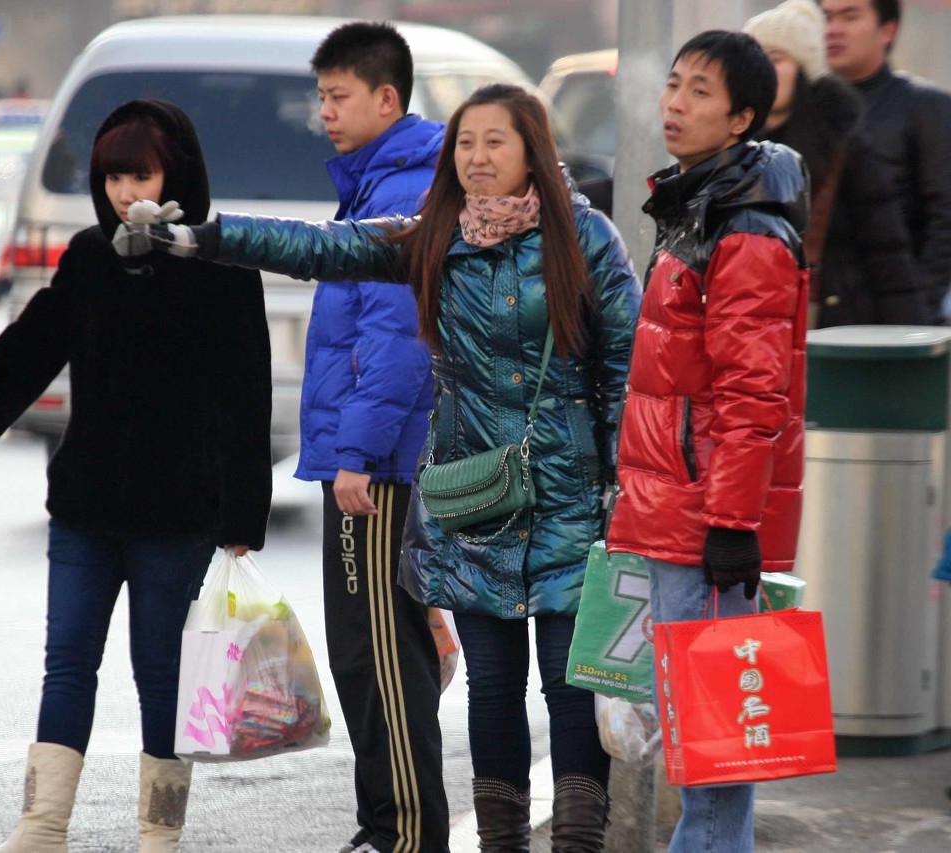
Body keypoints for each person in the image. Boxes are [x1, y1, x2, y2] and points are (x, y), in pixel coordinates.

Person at [115, 82, 641, 853]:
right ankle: (502, 844)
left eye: (495, 141)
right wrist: (197, 237)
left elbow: (627, 367)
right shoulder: (435, 237)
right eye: (466, 143)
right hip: (477, 498)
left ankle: (577, 844)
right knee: (494, 689)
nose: (477, 157)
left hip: (571, 499)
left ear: (533, 150)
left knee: (568, 686)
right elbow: (316, 247)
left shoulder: (585, 237)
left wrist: (625, 484)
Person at [0, 99, 272, 853]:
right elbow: (23, 355)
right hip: (84, 506)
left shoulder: (223, 268)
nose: (123, 193)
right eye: (111, 177)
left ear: (177, 176)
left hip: (177, 515)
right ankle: (42, 826)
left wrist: (242, 517)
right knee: (68, 663)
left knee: (161, 674)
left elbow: (248, 398)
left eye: (139, 175)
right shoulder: (90, 258)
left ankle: (158, 836)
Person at [604, 31, 809, 853]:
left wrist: (730, 522)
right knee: (705, 729)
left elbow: (754, 390)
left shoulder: (745, 226)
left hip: (703, 519)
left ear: (741, 118)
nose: (675, 103)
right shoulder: (702, 203)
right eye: (674, 83)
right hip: (677, 506)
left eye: (699, 91)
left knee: (714, 739)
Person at [303, 22, 448, 853]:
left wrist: (356, 453)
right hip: (365, 454)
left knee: (381, 653)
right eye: (321, 96)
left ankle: (405, 834)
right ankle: (384, 826)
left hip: (381, 463)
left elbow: (398, 339)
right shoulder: (375, 183)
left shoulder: (403, 188)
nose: (325, 111)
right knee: (365, 650)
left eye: (339, 96)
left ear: (387, 98)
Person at [745, 0, 928, 326]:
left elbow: (887, 253)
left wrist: (910, 338)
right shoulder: (733, 147)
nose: (764, 72)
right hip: (750, 321)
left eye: (776, 59)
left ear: (804, 69)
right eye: (754, 61)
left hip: (833, 324)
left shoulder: (844, 145)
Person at [821, 0, 951, 321]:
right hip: (817, 315)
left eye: (849, 16)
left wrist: (917, 312)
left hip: (896, 317)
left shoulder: (926, 108)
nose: (832, 29)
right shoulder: (804, 110)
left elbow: (945, 217)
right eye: (825, 17)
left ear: (887, 30)